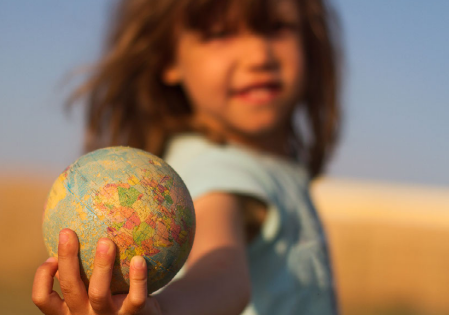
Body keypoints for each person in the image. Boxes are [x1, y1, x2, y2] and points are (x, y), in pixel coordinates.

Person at [32, 0, 342, 314]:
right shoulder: (219, 168)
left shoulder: (265, 165)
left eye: (277, 28)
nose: (259, 56)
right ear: (168, 59)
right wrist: (164, 310)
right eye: (220, 34)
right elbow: (222, 275)